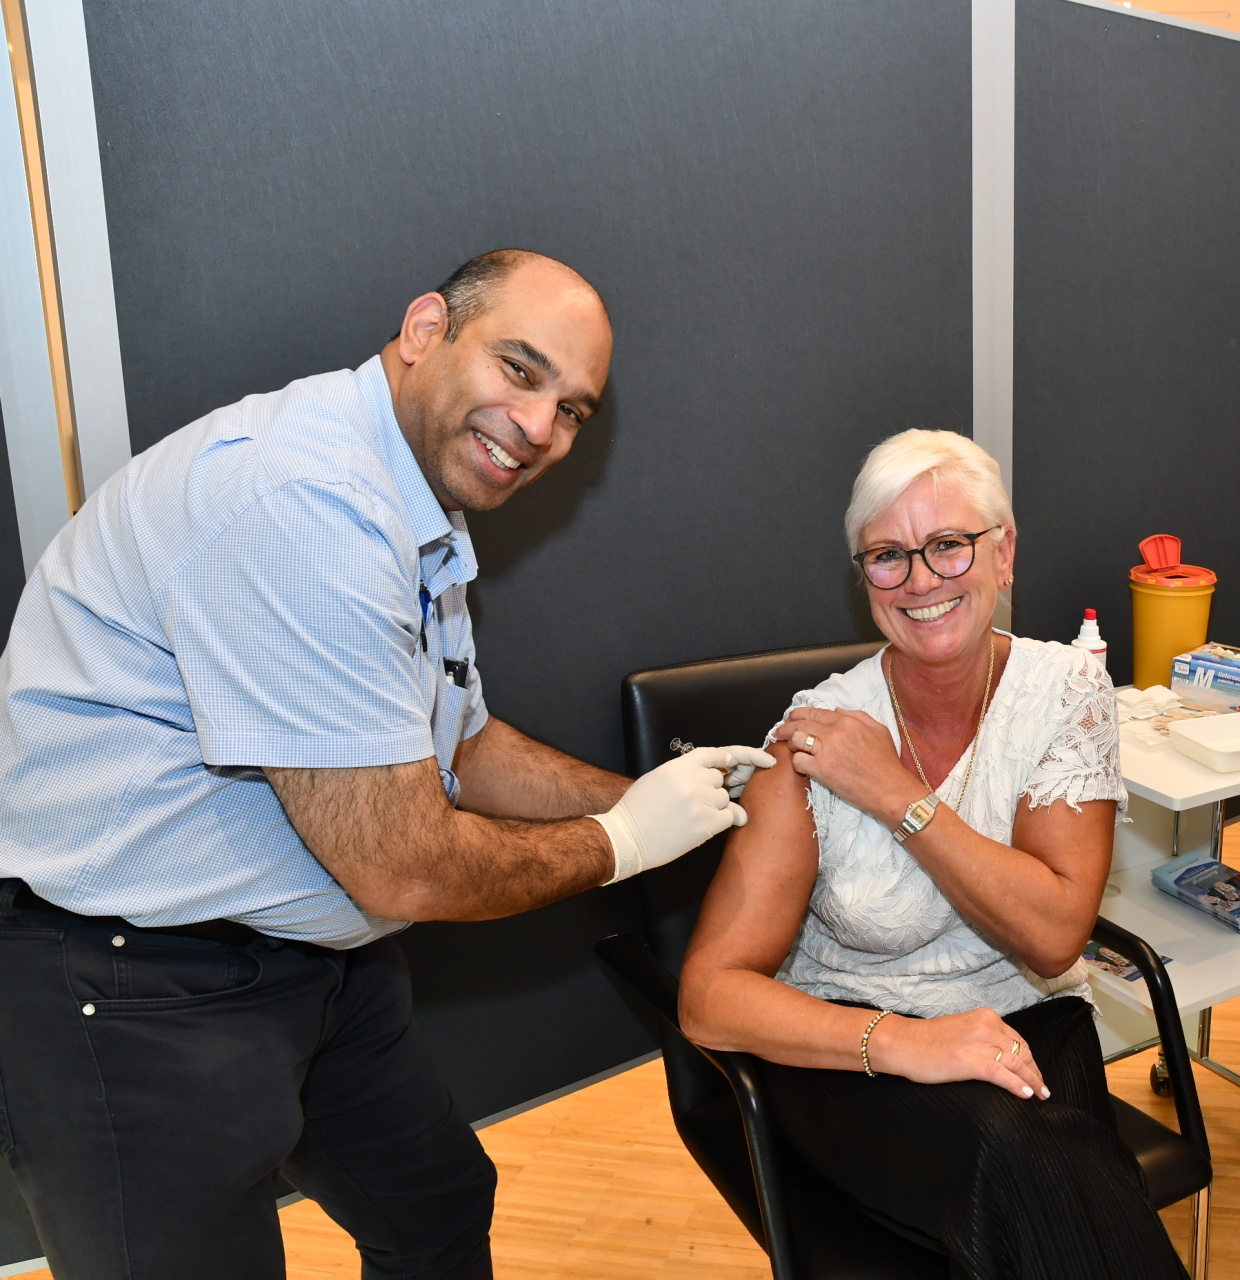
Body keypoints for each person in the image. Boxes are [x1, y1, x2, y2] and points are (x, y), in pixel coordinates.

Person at [0, 249, 773, 1280]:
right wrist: (625, 841)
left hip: (313, 955)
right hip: (131, 977)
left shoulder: (412, 503)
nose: (540, 427)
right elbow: (404, 864)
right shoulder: (307, 501)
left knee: (435, 1206)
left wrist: (664, 800)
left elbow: (464, 742)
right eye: (520, 368)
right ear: (424, 329)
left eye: (575, 409)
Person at [678, 430, 1187, 1280]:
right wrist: (911, 1044)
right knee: (1027, 1165)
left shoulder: (1065, 691)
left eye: (949, 544)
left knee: (1042, 1165)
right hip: (856, 1052)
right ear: (863, 578)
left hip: (1030, 1023)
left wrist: (892, 792)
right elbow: (708, 996)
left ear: (1004, 552)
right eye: (888, 556)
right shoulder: (815, 734)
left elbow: (1055, 934)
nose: (921, 580)